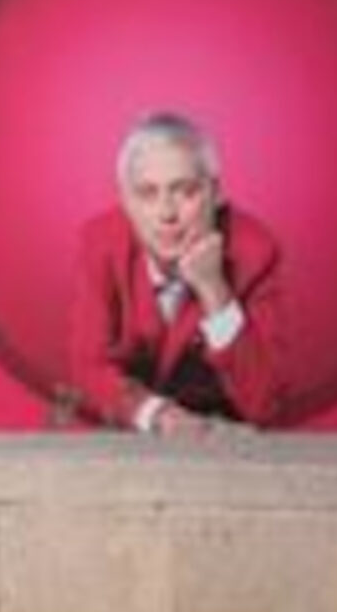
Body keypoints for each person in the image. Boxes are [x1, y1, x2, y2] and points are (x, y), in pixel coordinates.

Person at [62, 112, 286, 432]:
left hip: (224, 442)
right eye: (147, 194)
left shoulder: (255, 252)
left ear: (216, 193)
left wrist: (214, 290)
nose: (167, 213)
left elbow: (264, 400)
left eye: (185, 191)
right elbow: (87, 368)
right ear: (125, 201)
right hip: (125, 434)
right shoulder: (99, 245)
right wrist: (160, 415)